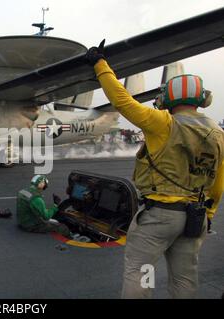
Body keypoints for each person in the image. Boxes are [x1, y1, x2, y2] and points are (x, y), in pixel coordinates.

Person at [85, 41, 224, 299]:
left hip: (160, 218)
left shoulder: (163, 123)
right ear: (201, 98)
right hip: (196, 217)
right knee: (184, 279)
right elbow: (218, 181)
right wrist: (209, 213)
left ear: (169, 98)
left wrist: (99, 63)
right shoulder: (218, 134)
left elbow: (123, 101)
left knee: (140, 271)